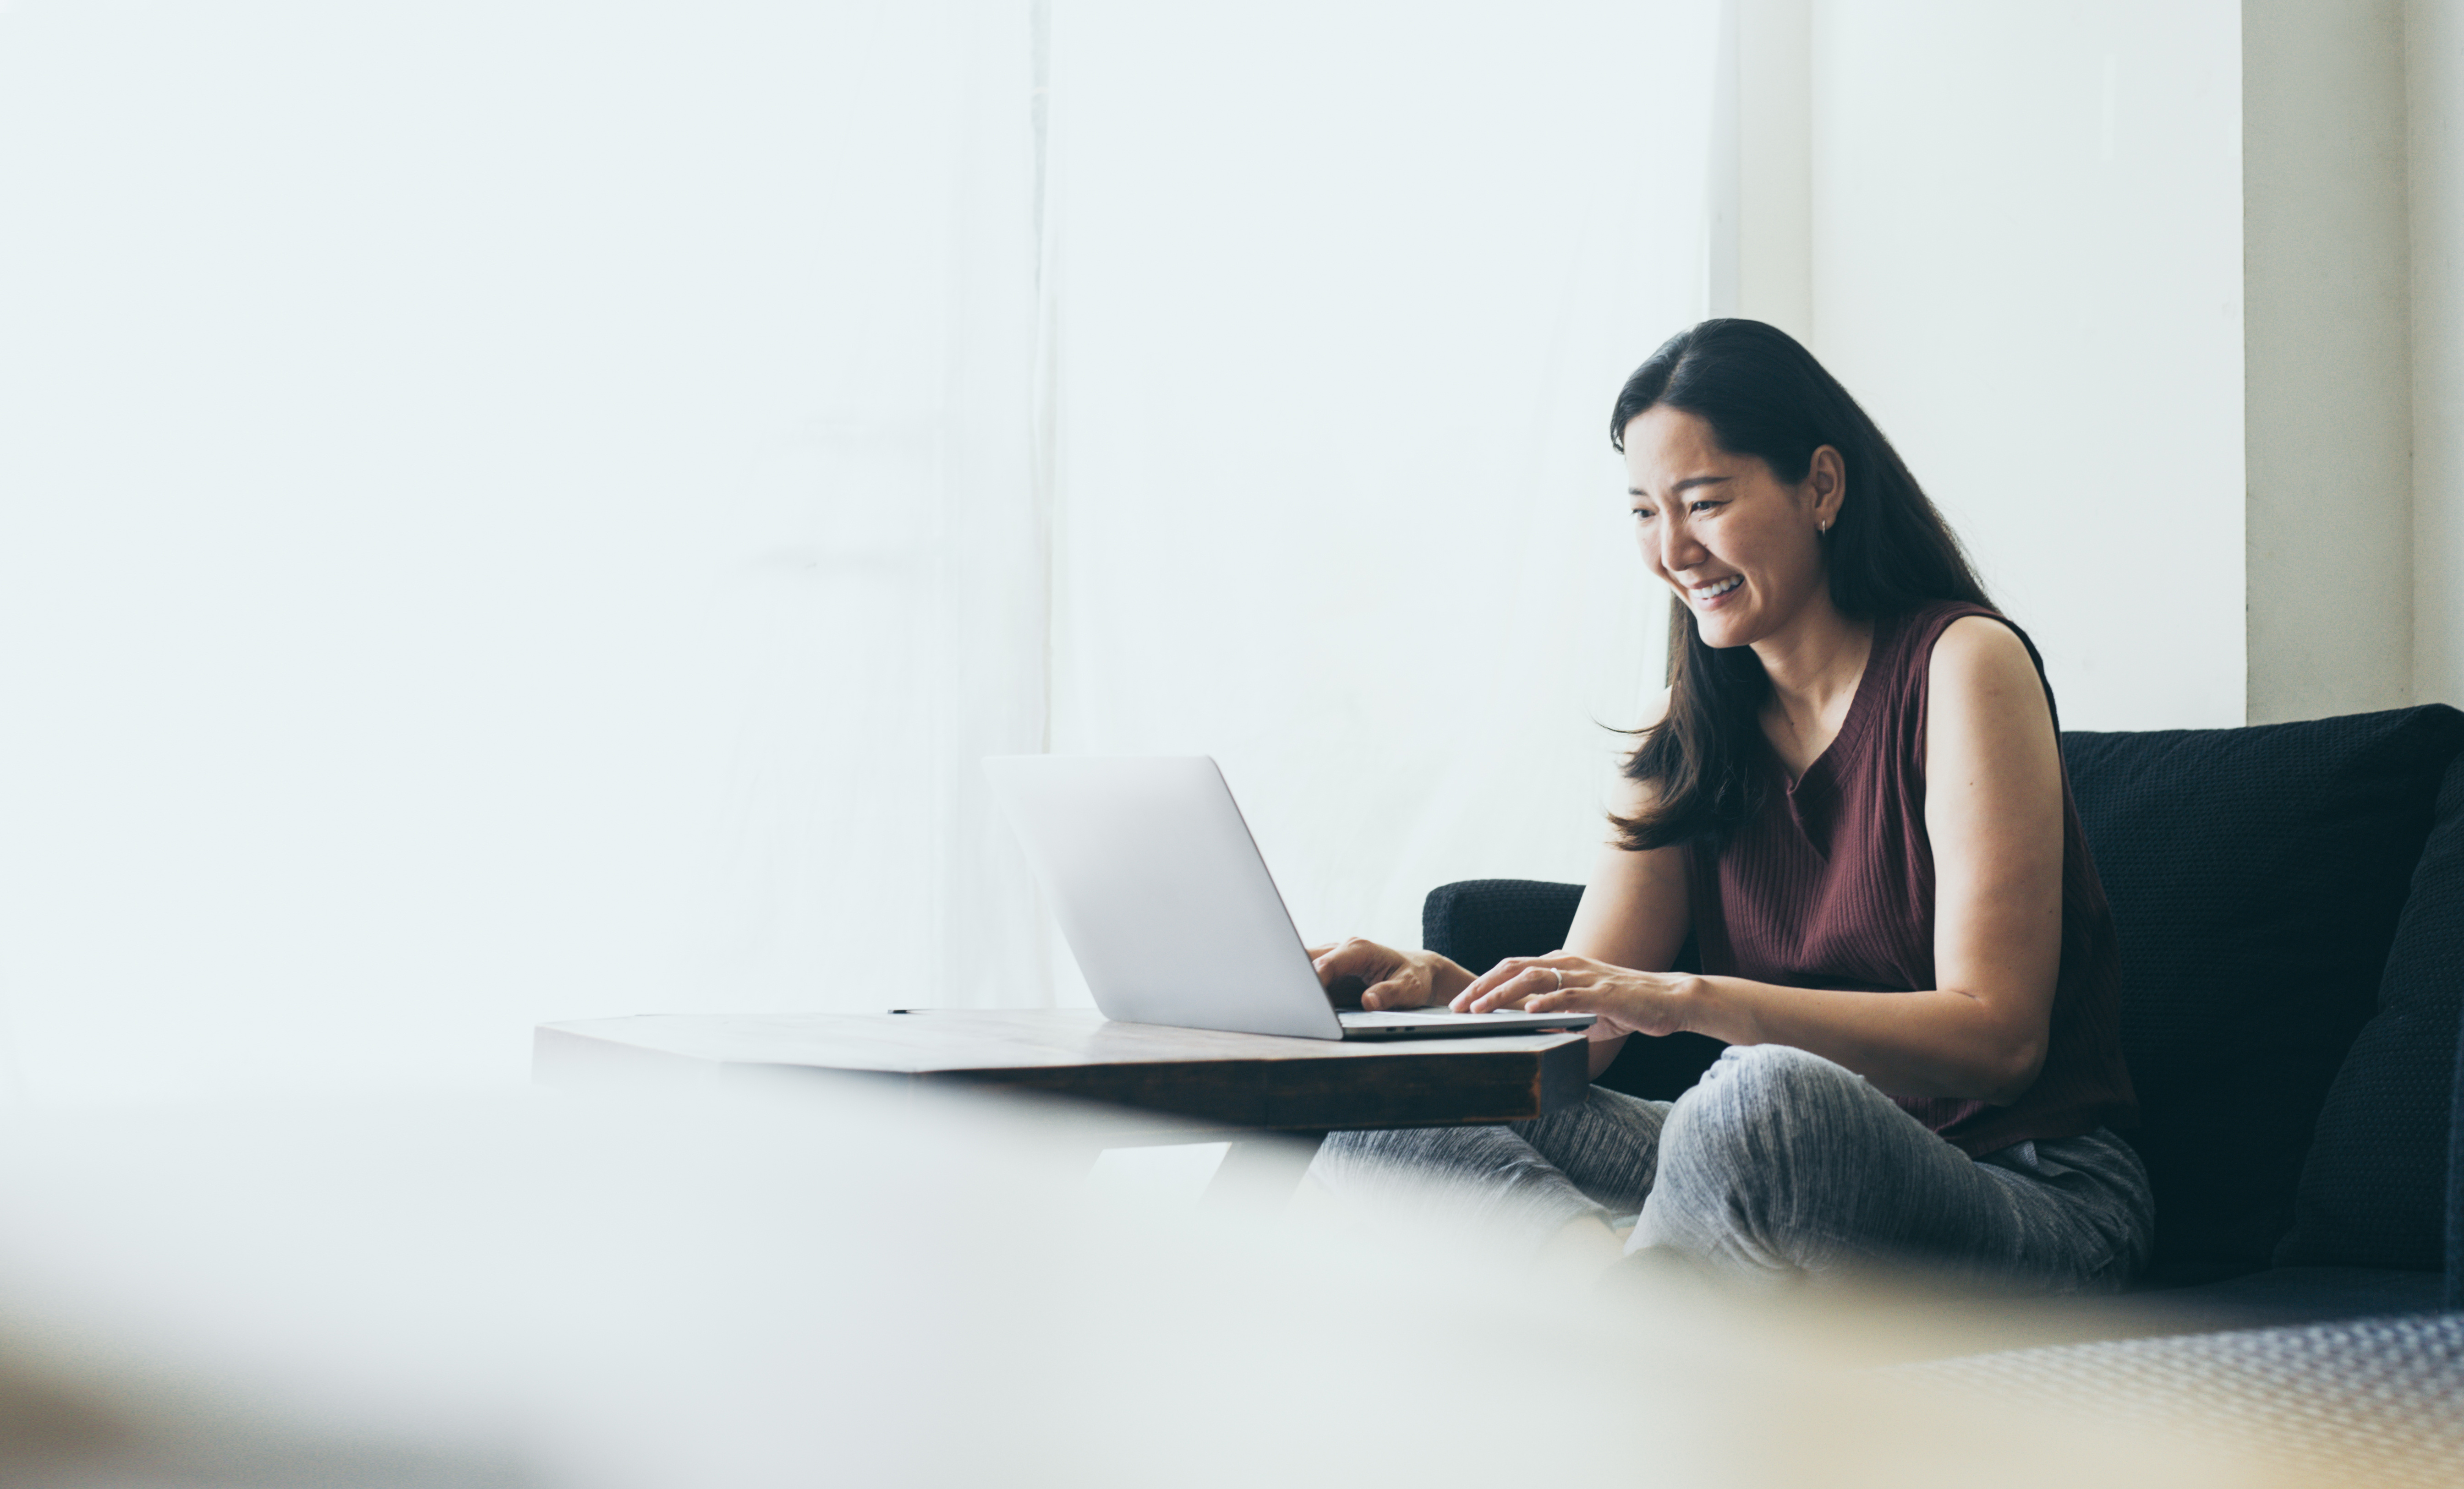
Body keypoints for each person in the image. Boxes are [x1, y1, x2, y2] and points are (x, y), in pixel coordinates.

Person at [1306, 319, 2148, 1291]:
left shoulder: (1961, 665)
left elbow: (1998, 1041)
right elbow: (1590, 1023)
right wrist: (1436, 994)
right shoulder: (1687, 731)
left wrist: (1691, 1000)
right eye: (1642, 513)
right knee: (1395, 1096)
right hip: (1771, 1166)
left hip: (2030, 1191)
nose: (1672, 551)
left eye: (1703, 503)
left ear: (1821, 487)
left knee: (1757, 1096)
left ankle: (1617, 1314)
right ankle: (1627, 1311)